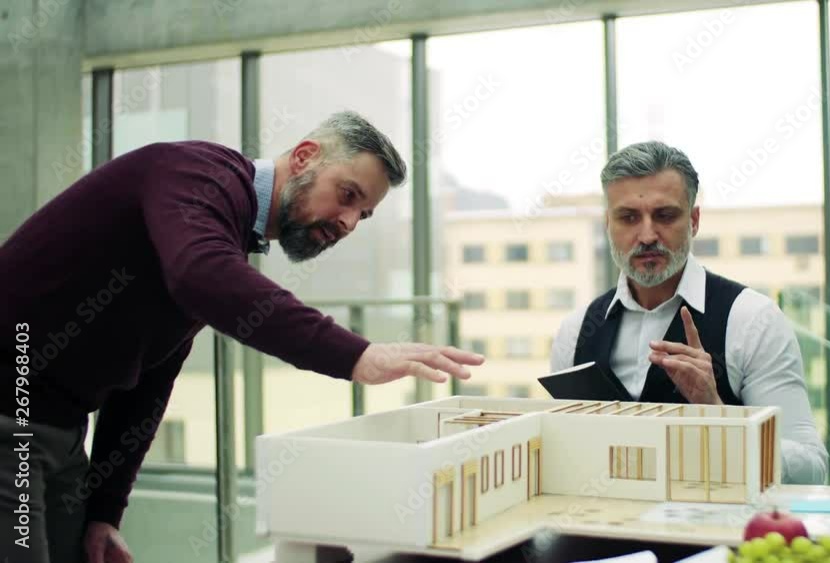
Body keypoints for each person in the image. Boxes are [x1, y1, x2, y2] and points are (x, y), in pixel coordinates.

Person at [0, 111, 484, 563]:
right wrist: (355, 354)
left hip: (57, 429)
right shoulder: (195, 174)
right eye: (348, 195)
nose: (349, 222)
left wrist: (105, 511)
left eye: (364, 214)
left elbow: (149, 379)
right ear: (303, 158)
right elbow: (201, 275)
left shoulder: (222, 232)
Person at [550, 141, 828, 485]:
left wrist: (720, 417)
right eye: (629, 217)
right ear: (608, 223)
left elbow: (811, 470)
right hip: (598, 532)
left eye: (665, 216)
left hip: (715, 536)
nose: (648, 235)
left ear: (694, 220)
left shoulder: (753, 320)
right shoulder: (575, 333)